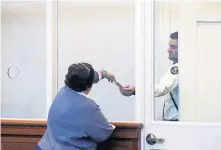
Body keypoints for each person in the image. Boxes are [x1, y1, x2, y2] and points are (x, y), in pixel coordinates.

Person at [36, 63, 116, 150]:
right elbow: (103, 134)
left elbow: (91, 77)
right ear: (89, 85)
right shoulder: (89, 107)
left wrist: (104, 74)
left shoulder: (63, 91)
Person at [120, 32, 179, 121]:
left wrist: (136, 90)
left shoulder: (178, 68)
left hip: (175, 122)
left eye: (173, 47)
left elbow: (161, 89)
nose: (168, 50)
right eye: (169, 46)